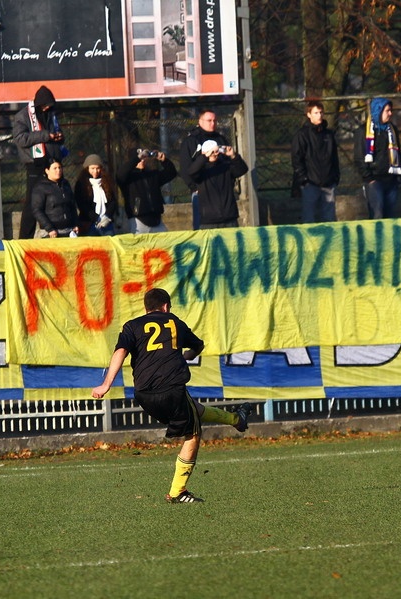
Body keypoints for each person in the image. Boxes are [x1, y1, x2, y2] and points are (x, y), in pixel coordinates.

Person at [91, 288, 252, 504]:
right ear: (166, 307)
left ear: (146, 307)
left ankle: (237, 420)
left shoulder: (132, 325)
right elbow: (198, 345)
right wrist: (186, 355)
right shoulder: (173, 321)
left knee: (194, 410)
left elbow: (120, 351)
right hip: (172, 389)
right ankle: (178, 491)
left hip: (144, 395)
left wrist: (105, 384)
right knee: (193, 434)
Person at [12, 85, 66, 239]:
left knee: (57, 199)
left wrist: (59, 137)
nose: (48, 107)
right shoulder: (23, 116)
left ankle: (56, 233)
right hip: (35, 164)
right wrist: (46, 136)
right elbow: (20, 139)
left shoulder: (52, 114)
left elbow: (57, 133)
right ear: (39, 104)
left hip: (53, 163)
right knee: (32, 203)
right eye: (46, 105)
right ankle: (24, 240)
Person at [179, 109, 232, 230]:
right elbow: (185, 168)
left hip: (222, 190)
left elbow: (229, 164)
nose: (212, 123)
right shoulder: (191, 141)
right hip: (201, 191)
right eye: (209, 120)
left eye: (215, 120)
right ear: (200, 121)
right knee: (203, 229)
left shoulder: (221, 139)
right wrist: (194, 187)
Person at [291, 100, 340, 223]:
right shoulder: (302, 135)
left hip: (328, 182)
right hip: (310, 183)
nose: (319, 115)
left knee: (329, 218)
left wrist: (335, 177)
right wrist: (304, 180)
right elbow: (297, 159)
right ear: (309, 115)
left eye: (321, 112)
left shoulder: (329, 135)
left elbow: (334, 157)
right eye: (316, 113)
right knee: (309, 218)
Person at [355, 97, 401, 219]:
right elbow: (359, 157)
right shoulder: (363, 131)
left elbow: (398, 153)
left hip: (391, 179)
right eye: (387, 110)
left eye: (391, 110)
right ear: (379, 111)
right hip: (374, 179)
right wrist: (369, 178)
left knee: (390, 215)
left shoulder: (392, 130)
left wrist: (398, 175)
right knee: (378, 214)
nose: (390, 114)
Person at [185, 140, 249, 228]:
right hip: (209, 220)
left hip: (229, 217)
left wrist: (233, 156)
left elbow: (242, 169)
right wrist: (205, 156)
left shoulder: (225, 167)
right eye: (212, 152)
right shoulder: (201, 171)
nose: (215, 154)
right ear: (204, 153)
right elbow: (191, 172)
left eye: (216, 152)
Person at [115, 149, 178, 234]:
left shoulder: (152, 175)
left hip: (157, 220)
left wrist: (164, 160)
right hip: (138, 221)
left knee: (164, 245)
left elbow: (171, 173)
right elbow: (120, 175)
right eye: (139, 158)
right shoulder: (128, 178)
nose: (141, 160)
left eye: (143, 157)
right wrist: (137, 158)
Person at [73, 154, 124, 236]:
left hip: (107, 223)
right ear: (87, 169)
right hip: (89, 224)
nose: (95, 171)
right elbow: (82, 204)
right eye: (92, 168)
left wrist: (107, 216)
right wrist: (96, 218)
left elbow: (112, 201)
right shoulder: (81, 184)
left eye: (98, 168)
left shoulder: (107, 181)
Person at [31, 158, 79, 238]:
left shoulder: (65, 184)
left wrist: (75, 224)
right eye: (55, 168)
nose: (58, 170)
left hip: (68, 230)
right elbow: (37, 210)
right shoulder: (41, 187)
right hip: (51, 232)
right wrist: (49, 228)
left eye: (60, 167)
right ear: (47, 171)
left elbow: (72, 206)